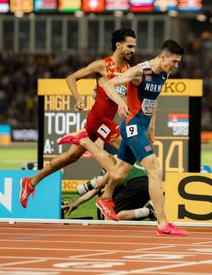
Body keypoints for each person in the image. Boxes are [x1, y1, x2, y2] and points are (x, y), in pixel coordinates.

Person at [60, 39, 187, 236]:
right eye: (174, 61)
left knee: (118, 173)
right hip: (132, 126)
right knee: (154, 167)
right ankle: (163, 223)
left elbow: (154, 99)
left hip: (142, 126)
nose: (176, 66)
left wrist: (152, 126)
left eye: (178, 62)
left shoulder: (165, 73)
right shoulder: (138, 72)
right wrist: (120, 102)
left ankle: (104, 196)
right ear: (162, 57)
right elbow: (110, 84)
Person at [19, 28, 137, 208]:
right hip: (98, 120)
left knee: (70, 157)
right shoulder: (102, 65)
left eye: (134, 47)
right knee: (126, 151)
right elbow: (71, 78)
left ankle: (31, 182)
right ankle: (106, 198)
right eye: (130, 46)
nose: (133, 50)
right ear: (118, 45)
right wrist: (79, 98)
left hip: (102, 121)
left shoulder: (127, 69)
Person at [62, 164, 156, 221]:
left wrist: (76, 203)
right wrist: (75, 203)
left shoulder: (110, 164)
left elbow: (95, 189)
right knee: (125, 215)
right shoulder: (125, 158)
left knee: (110, 216)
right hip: (148, 185)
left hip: (134, 184)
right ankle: (147, 211)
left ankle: (148, 211)